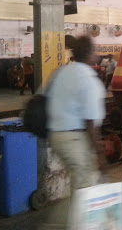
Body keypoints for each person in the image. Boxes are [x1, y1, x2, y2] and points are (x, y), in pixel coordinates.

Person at [46, 35, 106, 191]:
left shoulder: (60, 72)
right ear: (89, 54)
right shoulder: (88, 78)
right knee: (86, 185)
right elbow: (90, 122)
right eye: (93, 51)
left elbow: (45, 98)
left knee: (80, 183)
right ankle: (77, 215)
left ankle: (76, 212)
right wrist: (99, 154)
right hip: (74, 138)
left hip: (55, 135)